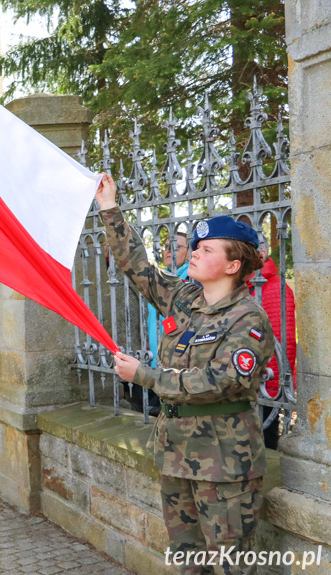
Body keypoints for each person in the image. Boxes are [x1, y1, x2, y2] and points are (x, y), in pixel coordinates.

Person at [96, 172, 274, 575]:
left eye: (207, 249)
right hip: (177, 456)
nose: (194, 252)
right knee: (189, 564)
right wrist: (110, 208)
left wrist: (146, 376)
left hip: (225, 465)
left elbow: (223, 380)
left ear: (233, 264)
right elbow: (138, 266)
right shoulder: (185, 298)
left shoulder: (248, 318)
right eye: (196, 246)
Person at [125, 231, 192, 415]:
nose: (170, 250)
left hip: (178, 365)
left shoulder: (190, 278)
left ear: (189, 252)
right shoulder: (164, 277)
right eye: (167, 247)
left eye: (177, 247)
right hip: (155, 359)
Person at [250, 232, 297, 450]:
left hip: (265, 382)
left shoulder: (277, 288)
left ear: (262, 252)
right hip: (245, 378)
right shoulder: (244, 286)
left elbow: (283, 342)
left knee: (265, 438)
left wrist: (271, 383)